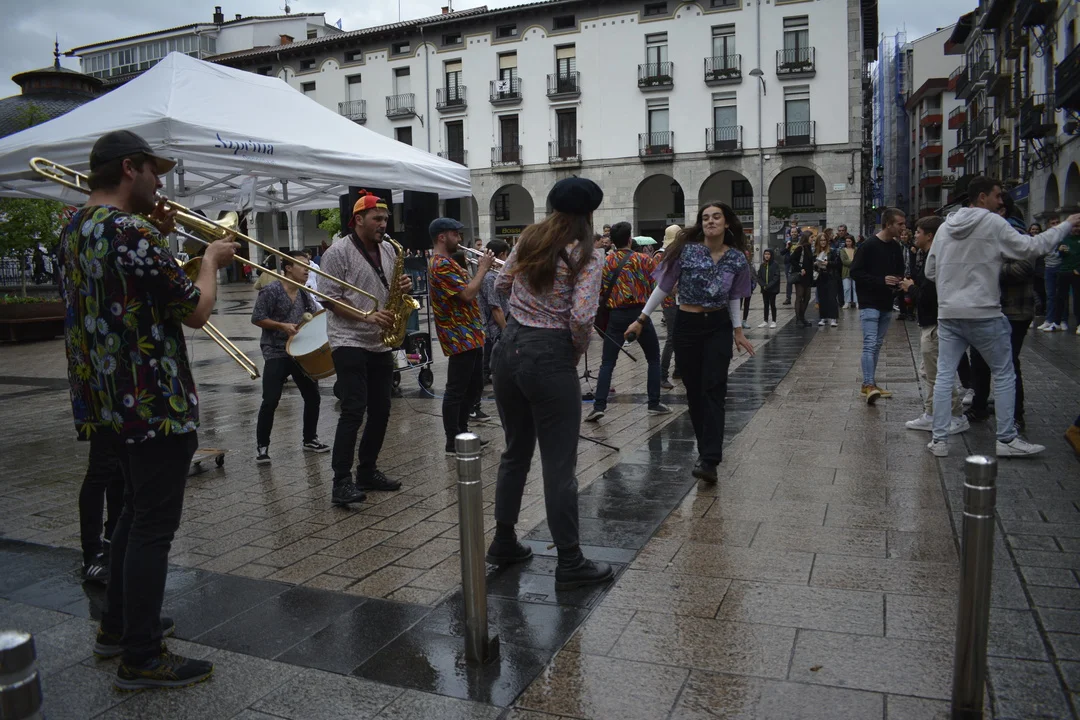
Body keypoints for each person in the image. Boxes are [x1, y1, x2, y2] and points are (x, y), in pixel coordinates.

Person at [57, 130, 238, 689]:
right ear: (129, 168)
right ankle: (141, 655)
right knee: (151, 526)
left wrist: (158, 240)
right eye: (154, 171)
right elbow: (195, 309)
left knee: (131, 515)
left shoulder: (75, 227)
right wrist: (212, 260)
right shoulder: (129, 231)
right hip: (153, 399)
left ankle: (118, 626)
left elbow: (130, 289)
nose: (161, 182)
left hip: (107, 399)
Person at [486, 177, 614, 590]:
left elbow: (501, 284)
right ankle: (570, 561)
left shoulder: (528, 238)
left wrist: (524, 310)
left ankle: (504, 539)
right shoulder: (588, 254)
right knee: (559, 464)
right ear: (588, 214)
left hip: (509, 348)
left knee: (515, 450)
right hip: (550, 353)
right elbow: (582, 316)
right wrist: (572, 353)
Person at [924, 175, 1079, 457]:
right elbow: (1031, 248)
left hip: (949, 313)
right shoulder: (993, 222)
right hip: (984, 312)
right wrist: (1066, 225)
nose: (1001, 201)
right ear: (982, 197)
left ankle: (940, 440)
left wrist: (953, 284)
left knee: (945, 375)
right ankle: (1006, 438)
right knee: (1005, 373)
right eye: (997, 195)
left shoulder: (946, 227)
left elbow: (930, 271)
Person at [624, 202, 756, 483]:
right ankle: (705, 451)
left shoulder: (736, 258)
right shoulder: (686, 251)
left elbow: (734, 297)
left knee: (714, 389)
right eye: (705, 217)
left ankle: (709, 459)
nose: (710, 221)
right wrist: (641, 319)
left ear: (726, 223)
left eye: (716, 217)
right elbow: (662, 287)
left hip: (718, 325)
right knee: (695, 392)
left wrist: (738, 330)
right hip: (687, 325)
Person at [320, 191, 409, 504]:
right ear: (358, 219)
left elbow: (389, 286)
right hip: (348, 339)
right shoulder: (337, 252)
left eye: (385, 219)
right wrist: (367, 316)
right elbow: (329, 298)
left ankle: (367, 471)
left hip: (379, 341)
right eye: (377, 219)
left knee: (382, 410)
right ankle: (341, 481)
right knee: (354, 409)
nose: (383, 224)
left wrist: (403, 287)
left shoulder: (389, 249)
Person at [585, 221, 671, 422]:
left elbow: (597, 290)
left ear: (612, 242)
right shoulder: (644, 260)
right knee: (653, 358)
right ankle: (654, 402)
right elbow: (657, 286)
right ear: (630, 239)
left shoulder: (606, 262)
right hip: (640, 315)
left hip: (616, 315)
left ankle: (599, 405)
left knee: (607, 362)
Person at [250, 250, 328, 464]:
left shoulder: (304, 292)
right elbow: (257, 318)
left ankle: (310, 439)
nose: (307, 269)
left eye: (308, 264)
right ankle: (262, 447)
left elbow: (314, 316)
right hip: (275, 350)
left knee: (312, 396)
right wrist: (281, 326)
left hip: (299, 351)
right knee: (271, 399)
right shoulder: (271, 290)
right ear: (288, 268)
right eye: (302, 264)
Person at [967, 195, 1037, 430]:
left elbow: (1024, 268)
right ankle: (979, 406)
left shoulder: (1017, 234)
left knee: (1008, 363)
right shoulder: (984, 235)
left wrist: (989, 269)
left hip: (1013, 310)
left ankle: (1016, 415)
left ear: (1001, 211)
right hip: (984, 308)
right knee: (978, 359)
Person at [429, 217, 494, 454]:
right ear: (442, 237)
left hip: (470, 332)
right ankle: (452, 440)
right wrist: (483, 268)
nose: (459, 239)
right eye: (455, 234)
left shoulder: (449, 262)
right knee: (457, 389)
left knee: (474, 386)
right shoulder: (440, 264)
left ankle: (463, 432)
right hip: (459, 334)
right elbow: (467, 294)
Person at [899, 216, 968, 436]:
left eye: (918, 232)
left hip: (936, 324)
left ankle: (956, 415)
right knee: (928, 372)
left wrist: (910, 288)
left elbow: (929, 297)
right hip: (929, 323)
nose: (914, 235)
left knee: (938, 373)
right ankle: (931, 414)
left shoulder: (936, 260)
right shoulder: (928, 256)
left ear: (930, 236)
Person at [850, 208, 906, 405]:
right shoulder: (868, 246)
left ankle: (870, 384)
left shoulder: (896, 247)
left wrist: (898, 280)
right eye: (900, 224)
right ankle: (869, 383)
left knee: (877, 344)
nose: (903, 227)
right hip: (869, 302)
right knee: (870, 343)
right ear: (888, 224)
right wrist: (881, 280)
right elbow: (855, 272)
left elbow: (900, 270)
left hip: (886, 302)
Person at [78, 437, 123, 583]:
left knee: (121, 468)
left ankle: (112, 543)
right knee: (101, 468)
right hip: (103, 424)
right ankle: (91, 554)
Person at [478, 239, 511, 385]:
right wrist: (505, 329)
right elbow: (495, 307)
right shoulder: (490, 277)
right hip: (493, 328)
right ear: (502, 254)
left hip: (496, 324)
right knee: (489, 359)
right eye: (506, 255)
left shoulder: (494, 275)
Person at [659, 224, 682, 388]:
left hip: (681, 301)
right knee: (672, 338)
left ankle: (678, 370)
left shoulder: (676, 254)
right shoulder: (661, 256)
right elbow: (659, 282)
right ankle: (662, 375)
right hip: (669, 302)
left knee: (680, 337)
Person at [1051, 220, 1080, 334]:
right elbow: (1060, 255)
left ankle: (1079, 324)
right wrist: (1060, 251)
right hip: (1063, 271)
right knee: (1060, 298)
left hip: (1076, 273)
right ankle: (1057, 322)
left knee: (1078, 299)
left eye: (1078, 226)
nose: (1076, 229)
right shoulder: (1064, 239)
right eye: (1075, 226)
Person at [1039, 217, 1065, 331]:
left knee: (1062, 295)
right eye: (1052, 223)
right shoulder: (1046, 237)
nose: (1055, 224)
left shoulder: (1064, 236)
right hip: (1049, 268)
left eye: (1057, 222)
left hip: (1061, 267)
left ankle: (1062, 320)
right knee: (1050, 295)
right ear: (1048, 225)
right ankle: (1049, 320)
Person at [814, 232, 840, 327]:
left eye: (824, 240)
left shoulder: (832, 251)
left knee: (832, 297)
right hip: (821, 276)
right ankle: (823, 317)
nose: (823, 242)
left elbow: (837, 264)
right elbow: (813, 266)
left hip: (831, 276)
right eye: (821, 240)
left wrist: (828, 263)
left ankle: (833, 318)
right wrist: (815, 265)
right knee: (822, 297)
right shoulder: (815, 252)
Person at [789, 231, 815, 328]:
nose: (812, 239)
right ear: (807, 237)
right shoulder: (800, 248)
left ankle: (802, 316)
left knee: (807, 297)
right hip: (800, 276)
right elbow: (792, 259)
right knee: (799, 297)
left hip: (808, 276)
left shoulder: (810, 248)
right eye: (811, 237)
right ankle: (798, 319)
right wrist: (800, 269)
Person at [756, 248, 781, 328]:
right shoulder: (762, 265)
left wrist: (768, 285)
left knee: (772, 304)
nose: (766, 256)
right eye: (765, 254)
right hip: (764, 289)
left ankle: (774, 321)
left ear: (771, 255)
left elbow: (776, 277)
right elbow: (759, 276)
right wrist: (763, 285)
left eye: (768, 254)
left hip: (772, 289)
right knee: (765, 304)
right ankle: (765, 320)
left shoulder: (775, 264)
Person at [840, 236, 858, 308]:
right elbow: (844, 261)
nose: (848, 243)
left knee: (855, 287)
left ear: (852, 241)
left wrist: (854, 262)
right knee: (846, 288)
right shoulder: (843, 250)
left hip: (855, 271)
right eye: (846, 241)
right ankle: (847, 302)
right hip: (846, 271)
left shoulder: (856, 249)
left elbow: (858, 259)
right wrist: (854, 262)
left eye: (849, 241)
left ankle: (857, 302)